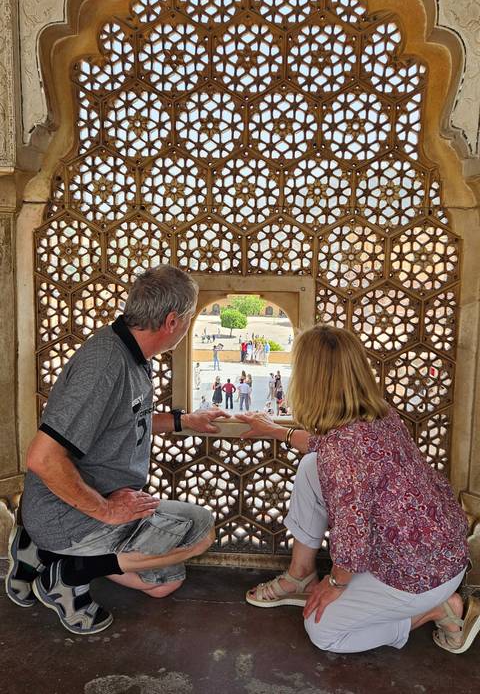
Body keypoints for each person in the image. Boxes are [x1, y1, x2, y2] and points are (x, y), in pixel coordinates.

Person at [6, 265, 229, 637]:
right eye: (190, 318)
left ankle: (40, 550)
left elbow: (126, 418)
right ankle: (65, 572)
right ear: (173, 321)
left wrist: (183, 421)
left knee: (165, 581)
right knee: (201, 532)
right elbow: (42, 458)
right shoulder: (106, 365)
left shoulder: (130, 350)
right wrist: (107, 510)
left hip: (82, 505)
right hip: (70, 512)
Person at [236, 325, 478, 655]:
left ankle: (438, 612)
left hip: (417, 578)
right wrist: (276, 431)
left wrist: (336, 584)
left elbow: (352, 541)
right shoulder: (381, 416)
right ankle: (300, 575)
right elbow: (327, 447)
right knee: (311, 465)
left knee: (322, 629)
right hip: (444, 555)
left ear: (310, 380)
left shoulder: (342, 453)